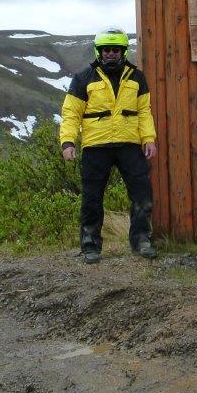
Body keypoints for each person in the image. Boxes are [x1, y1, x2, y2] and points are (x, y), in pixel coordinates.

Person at [59, 27, 159, 263]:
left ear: (123, 51)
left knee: (142, 195)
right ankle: (90, 246)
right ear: (99, 51)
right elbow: (71, 113)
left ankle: (142, 241)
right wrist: (67, 142)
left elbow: (144, 112)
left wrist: (149, 139)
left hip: (130, 144)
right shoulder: (83, 78)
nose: (111, 54)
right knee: (92, 199)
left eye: (116, 50)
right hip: (96, 146)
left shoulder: (137, 77)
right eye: (106, 50)